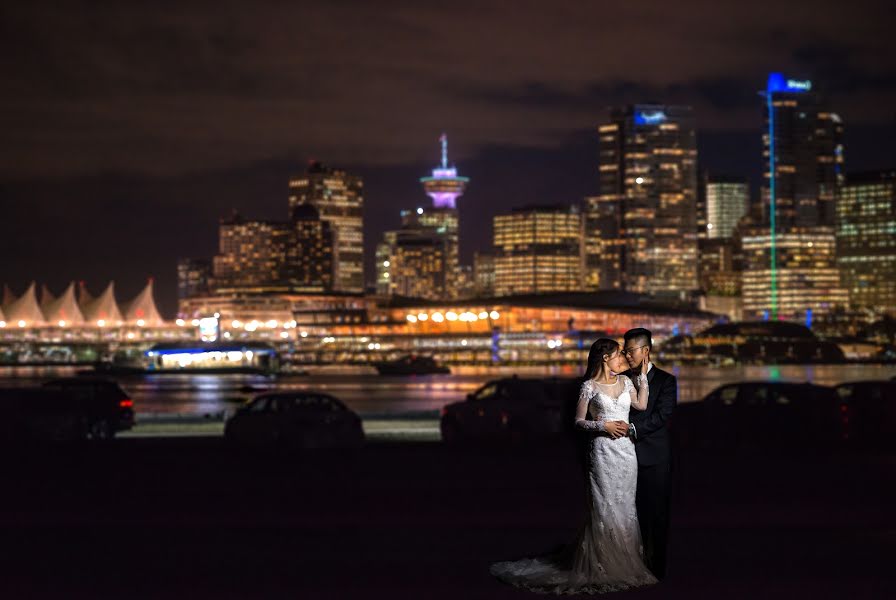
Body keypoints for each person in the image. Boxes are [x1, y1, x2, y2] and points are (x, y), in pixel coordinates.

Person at [490, 339, 658, 594]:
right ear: (605, 357)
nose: (622, 358)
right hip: (602, 452)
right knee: (604, 506)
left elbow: (642, 405)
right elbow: (578, 422)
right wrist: (604, 425)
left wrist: (643, 377)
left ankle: (625, 561)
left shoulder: (625, 382)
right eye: (617, 354)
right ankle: (602, 564)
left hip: (626, 453)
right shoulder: (589, 387)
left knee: (625, 505)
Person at [621, 328, 676, 580]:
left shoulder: (666, 380)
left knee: (656, 515)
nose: (627, 355)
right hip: (622, 458)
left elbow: (662, 416)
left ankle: (657, 569)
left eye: (630, 350)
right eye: (625, 350)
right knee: (630, 516)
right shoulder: (620, 379)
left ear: (645, 351)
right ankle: (633, 566)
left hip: (654, 459)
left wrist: (632, 429)